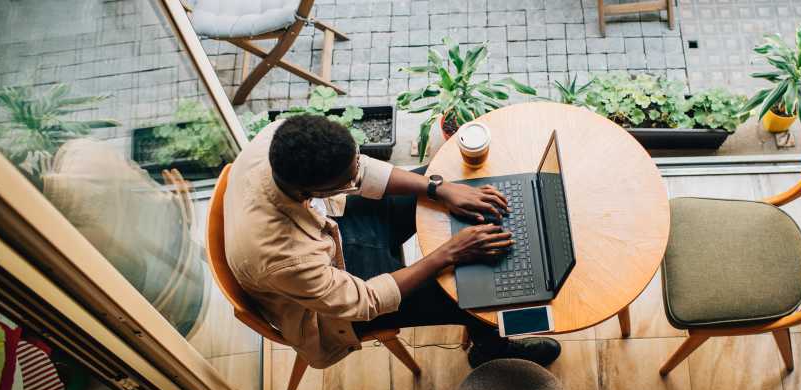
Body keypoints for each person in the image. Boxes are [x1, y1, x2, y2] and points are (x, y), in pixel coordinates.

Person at [223, 114, 561, 369]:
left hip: (330, 229)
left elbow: (359, 170)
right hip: (333, 300)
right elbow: (365, 300)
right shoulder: (283, 257)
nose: (357, 174)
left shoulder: (278, 139)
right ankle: (491, 352)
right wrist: (450, 252)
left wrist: (438, 188)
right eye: (348, 179)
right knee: (471, 295)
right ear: (311, 191)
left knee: (446, 181)